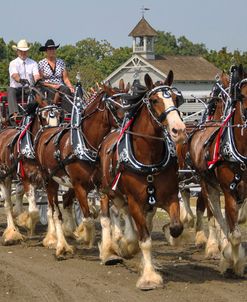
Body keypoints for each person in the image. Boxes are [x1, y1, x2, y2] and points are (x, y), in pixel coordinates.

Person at [38, 39, 74, 113]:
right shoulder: (41, 63)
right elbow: (40, 81)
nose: (52, 51)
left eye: (53, 49)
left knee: (68, 90)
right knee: (55, 91)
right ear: (46, 51)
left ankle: (67, 114)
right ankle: (54, 110)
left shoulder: (61, 62)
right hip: (48, 87)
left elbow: (66, 79)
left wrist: (71, 87)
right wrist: (52, 86)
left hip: (61, 87)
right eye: (50, 49)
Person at [8, 39, 40, 121]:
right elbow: (14, 75)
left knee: (39, 91)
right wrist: (20, 80)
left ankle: (40, 113)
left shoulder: (33, 63)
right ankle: (15, 114)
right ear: (17, 51)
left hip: (29, 88)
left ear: (28, 52)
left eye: (25, 51)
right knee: (10, 90)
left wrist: (37, 80)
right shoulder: (13, 63)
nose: (23, 53)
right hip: (17, 89)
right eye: (21, 51)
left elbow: (36, 75)